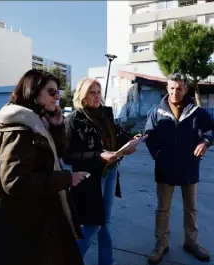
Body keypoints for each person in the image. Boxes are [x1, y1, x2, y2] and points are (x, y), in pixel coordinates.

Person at [0, 69, 88, 265]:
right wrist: (66, 179)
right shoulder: (20, 130)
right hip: (27, 227)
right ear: (33, 92)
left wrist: (56, 127)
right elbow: (15, 182)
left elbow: (54, 155)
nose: (57, 98)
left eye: (58, 92)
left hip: (38, 220)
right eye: (52, 92)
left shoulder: (37, 123)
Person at [144, 72, 214, 265]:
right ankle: (161, 245)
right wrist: (158, 155)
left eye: (179, 88)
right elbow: (149, 135)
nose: (175, 92)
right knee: (163, 209)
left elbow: (212, 128)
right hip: (165, 168)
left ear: (185, 89)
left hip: (189, 167)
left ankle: (191, 243)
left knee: (191, 208)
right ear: (166, 88)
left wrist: (205, 143)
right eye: (171, 88)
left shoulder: (195, 111)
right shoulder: (156, 111)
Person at [63, 77, 137, 265]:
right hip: (89, 179)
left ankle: (106, 262)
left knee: (105, 222)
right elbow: (68, 156)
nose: (96, 96)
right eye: (91, 93)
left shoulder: (105, 114)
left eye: (98, 92)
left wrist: (130, 143)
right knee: (93, 224)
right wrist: (98, 156)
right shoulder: (73, 120)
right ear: (82, 95)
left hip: (111, 172)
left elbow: (116, 136)